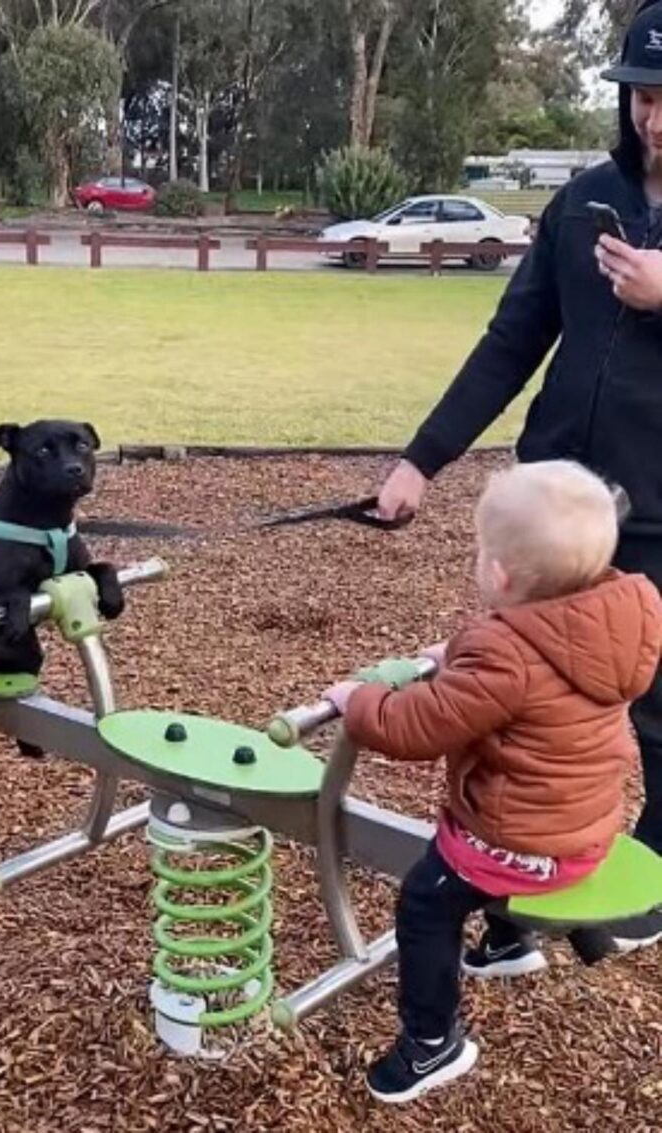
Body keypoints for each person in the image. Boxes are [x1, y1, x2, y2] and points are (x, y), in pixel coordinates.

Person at [376, 0, 662, 953]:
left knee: (644, 710)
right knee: (513, 706)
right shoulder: (583, 198)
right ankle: (512, 902)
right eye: (641, 97)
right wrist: (423, 458)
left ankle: (639, 888)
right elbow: (511, 342)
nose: (654, 119)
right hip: (549, 505)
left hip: (655, 516)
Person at [324, 461, 662, 1104]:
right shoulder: (624, 613)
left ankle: (432, 1043)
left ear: (500, 575)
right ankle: (510, 941)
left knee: (428, 901)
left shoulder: (503, 654)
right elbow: (538, 668)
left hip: (525, 844)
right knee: (522, 805)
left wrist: (358, 700)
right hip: (587, 827)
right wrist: (453, 658)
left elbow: (417, 728)